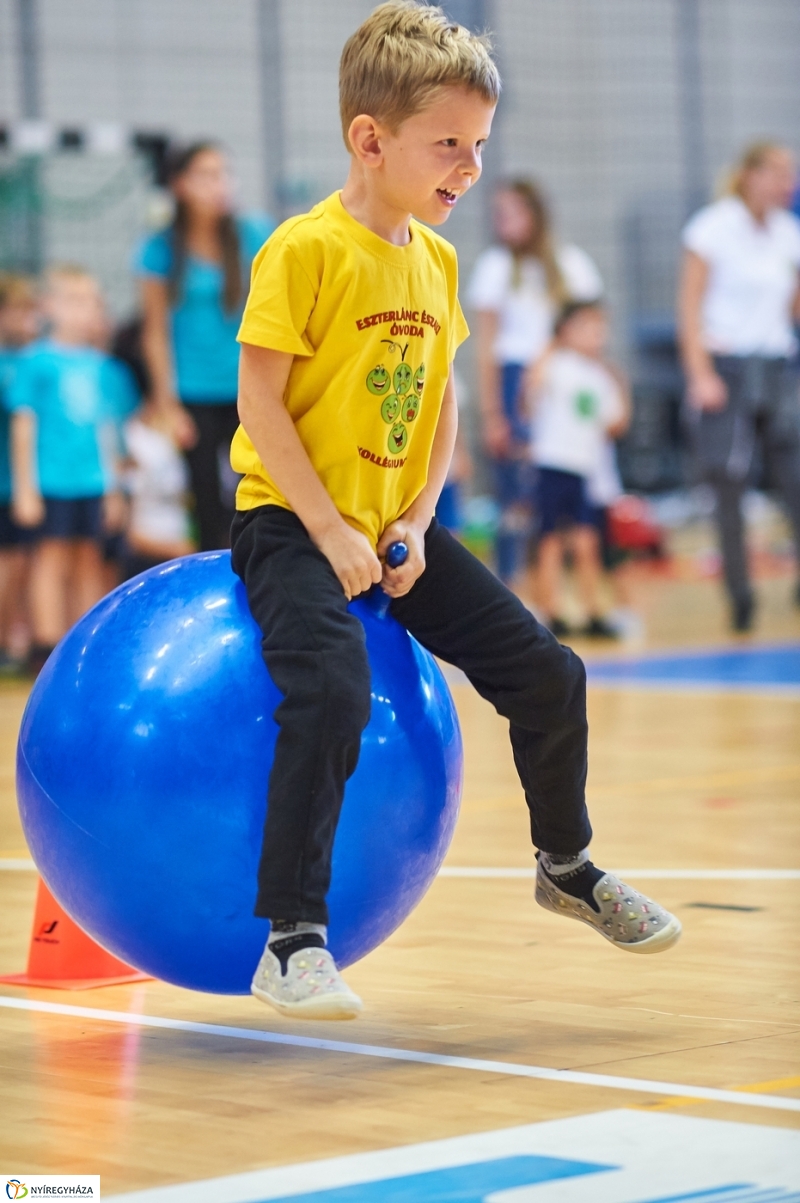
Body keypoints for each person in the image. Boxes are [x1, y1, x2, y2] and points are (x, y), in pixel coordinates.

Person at [232, 0, 681, 1022]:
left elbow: (438, 407)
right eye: (448, 146)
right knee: (333, 696)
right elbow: (260, 400)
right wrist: (334, 531)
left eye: (477, 147)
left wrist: (416, 519)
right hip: (290, 526)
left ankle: (564, 864)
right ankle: (291, 938)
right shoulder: (304, 251)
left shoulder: (434, 264)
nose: (467, 170)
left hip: (398, 531)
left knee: (547, 672)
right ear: (369, 138)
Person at [678, 141, 800, 631]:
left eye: (789, 174)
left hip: (777, 365)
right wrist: (700, 372)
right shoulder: (712, 228)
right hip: (726, 367)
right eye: (775, 172)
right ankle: (740, 596)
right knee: (729, 483)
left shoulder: (787, 233)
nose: (784, 182)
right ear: (748, 175)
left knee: (793, 477)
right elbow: (688, 306)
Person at [137, 142, 273, 551]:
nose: (220, 185)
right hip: (193, 393)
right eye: (207, 175)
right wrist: (167, 402)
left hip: (248, 387)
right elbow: (155, 331)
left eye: (224, 174)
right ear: (180, 185)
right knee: (207, 503)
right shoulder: (159, 249)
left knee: (261, 491)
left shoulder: (252, 235)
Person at [468, 179, 603, 583]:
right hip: (514, 380)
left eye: (512, 212)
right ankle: (511, 581)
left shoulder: (570, 264)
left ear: (535, 214)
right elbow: (487, 348)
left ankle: (561, 584)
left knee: (562, 486)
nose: (503, 222)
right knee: (514, 489)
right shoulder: (495, 268)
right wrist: (493, 413)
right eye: (498, 214)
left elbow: (592, 330)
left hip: (561, 386)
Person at [8, 266, 137, 675]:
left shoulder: (100, 366)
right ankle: (45, 644)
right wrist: (25, 488)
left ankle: (85, 641)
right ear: (50, 306)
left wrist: (114, 488)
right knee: (51, 559)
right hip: (51, 480)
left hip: (93, 481)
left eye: (89, 302)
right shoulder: (35, 362)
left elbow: (107, 429)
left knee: (87, 559)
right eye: (74, 301)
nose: (84, 311)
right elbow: (23, 425)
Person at [527, 300, 628, 638]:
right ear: (566, 331)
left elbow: (614, 424)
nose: (596, 336)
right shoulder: (556, 364)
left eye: (600, 330)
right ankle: (549, 611)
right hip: (553, 462)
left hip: (583, 468)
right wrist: (552, 342)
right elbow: (532, 389)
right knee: (551, 539)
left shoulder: (599, 375)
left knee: (587, 540)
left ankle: (592, 610)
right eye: (587, 328)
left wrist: (621, 385)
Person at [0, 273, 39, 669]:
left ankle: (14, 640)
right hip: (9, 484)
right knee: (10, 564)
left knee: (22, 563)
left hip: (19, 485)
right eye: (20, 311)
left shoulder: (27, 361)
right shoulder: (12, 367)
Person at [122, 400, 195, 579]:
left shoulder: (181, 455)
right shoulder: (135, 440)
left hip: (180, 549)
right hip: (150, 557)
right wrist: (174, 549)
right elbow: (130, 534)